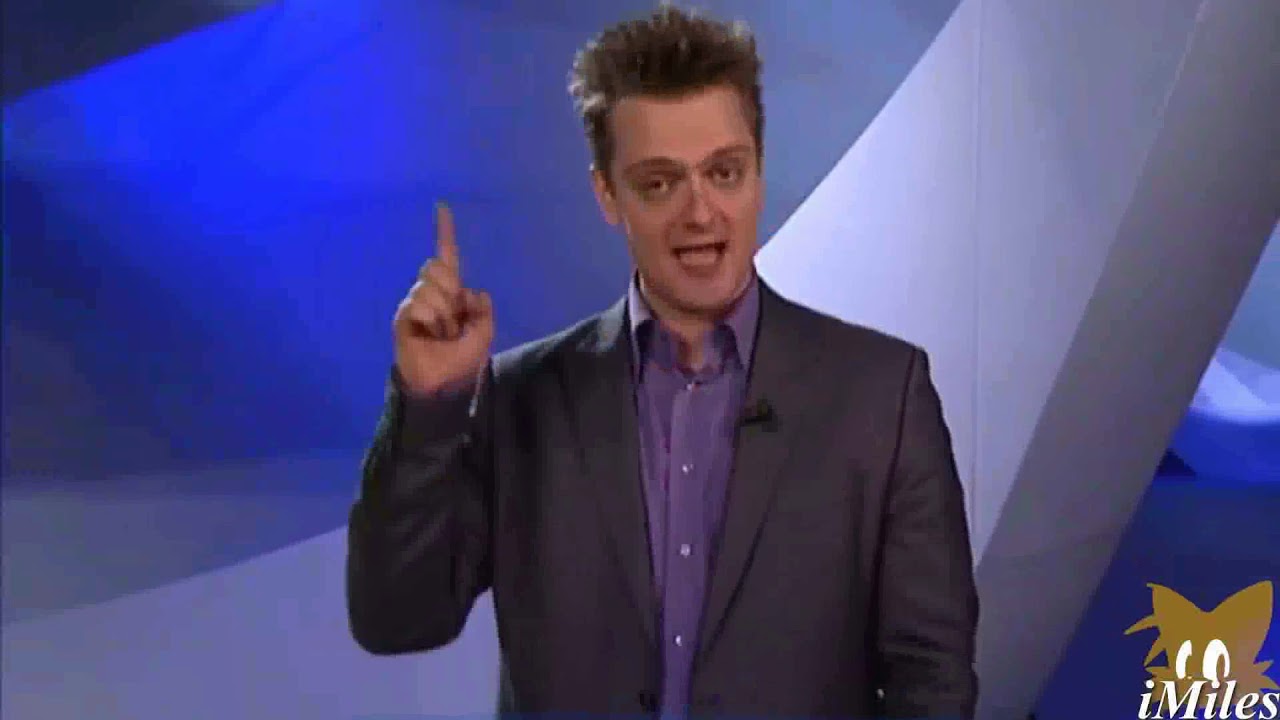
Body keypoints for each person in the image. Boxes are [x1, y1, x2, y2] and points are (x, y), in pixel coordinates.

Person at [346, 5, 978, 718]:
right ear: (607, 194)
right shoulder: (522, 398)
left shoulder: (882, 395)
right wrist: (427, 406)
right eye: (659, 183)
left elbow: (933, 680)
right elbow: (395, 619)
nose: (700, 213)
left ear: (759, 171)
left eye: (724, 172)